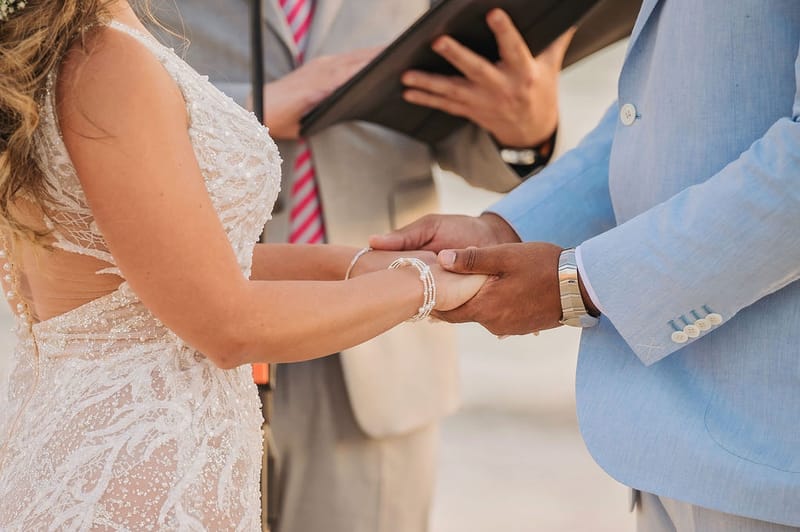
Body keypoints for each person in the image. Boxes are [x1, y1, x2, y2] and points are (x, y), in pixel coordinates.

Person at [0, 1, 489, 529]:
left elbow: (173, 267)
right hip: (139, 467)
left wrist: (357, 265)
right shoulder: (104, 59)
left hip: (97, 440)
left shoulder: (71, 44)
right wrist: (429, 284)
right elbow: (229, 326)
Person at [373, 1, 800, 530]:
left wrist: (577, 284)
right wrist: (505, 230)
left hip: (775, 456)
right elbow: (653, 118)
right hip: (669, 448)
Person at [154, 2, 572, 531]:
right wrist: (246, 108)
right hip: (186, 339)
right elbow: (74, 97)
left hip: (378, 347)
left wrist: (524, 133)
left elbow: (458, 131)